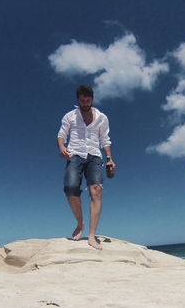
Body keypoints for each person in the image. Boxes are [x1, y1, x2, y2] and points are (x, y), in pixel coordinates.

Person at [57, 85, 116, 250]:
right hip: (74, 154)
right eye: (82, 100)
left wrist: (110, 158)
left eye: (88, 100)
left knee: (96, 190)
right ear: (78, 100)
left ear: (92, 99)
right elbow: (61, 135)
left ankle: (91, 236)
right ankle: (80, 222)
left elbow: (105, 139)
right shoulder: (70, 116)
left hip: (95, 156)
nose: (85, 103)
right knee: (70, 187)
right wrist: (61, 147)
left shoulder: (102, 118)